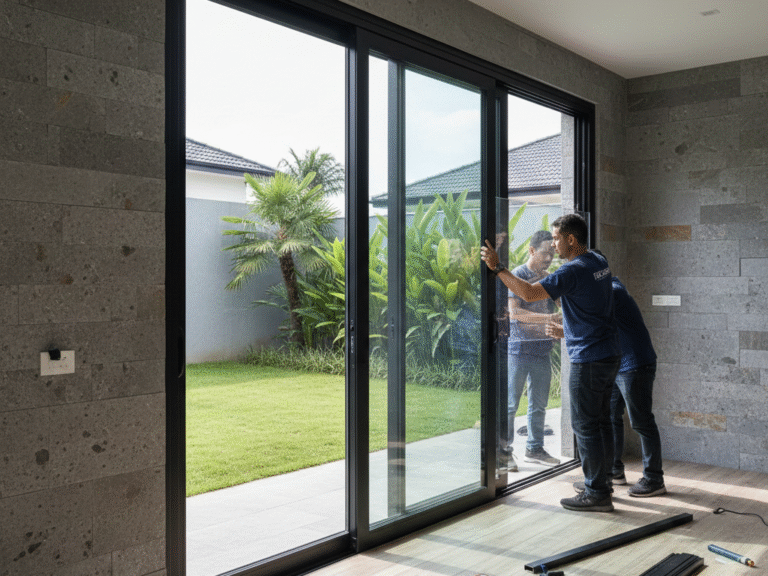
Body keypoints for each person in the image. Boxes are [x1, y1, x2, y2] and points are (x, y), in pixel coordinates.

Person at [482, 213, 620, 512]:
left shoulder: (572, 271)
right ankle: (603, 481)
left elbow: (529, 292)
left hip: (589, 357)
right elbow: (584, 302)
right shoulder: (599, 260)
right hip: (610, 353)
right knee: (601, 421)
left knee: (584, 424)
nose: (554, 245)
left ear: (571, 239)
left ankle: (597, 493)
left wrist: (498, 268)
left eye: (557, 239)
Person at [548, 271, 666, 497]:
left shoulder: (612, 292)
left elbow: (594, 328)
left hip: (635, 364)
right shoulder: (605, 288)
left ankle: (654, 479)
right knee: (610, 419)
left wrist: (564, 331)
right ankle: (612, 472)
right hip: (616, 363)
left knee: (642, 422)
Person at [504, 230, 561, 470]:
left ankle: (534, 448)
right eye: (545, 252)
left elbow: (562, 306)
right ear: (531, 250)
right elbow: (515, 314)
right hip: (519, 350)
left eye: (552, 253)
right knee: (510, 405)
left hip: (542, 351)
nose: (549, 258)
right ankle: (503, 452)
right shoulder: (517, 275)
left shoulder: (549, 278)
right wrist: (549, 319)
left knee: (539, 405)